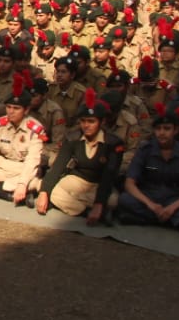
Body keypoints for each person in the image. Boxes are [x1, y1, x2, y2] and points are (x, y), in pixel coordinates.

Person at [37, 90, 123, 223]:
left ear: (102, 122)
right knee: (49, 189)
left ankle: (74, 205)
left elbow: (108, 176)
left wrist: (99, 203)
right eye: (83, 121)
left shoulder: (113, 143)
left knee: (114, 201)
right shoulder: (72, 138)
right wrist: (43, 194)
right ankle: (85, 212)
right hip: (75, 181)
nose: (86, 125)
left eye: (91, 121)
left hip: (97, 185)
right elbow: (57, 168)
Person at [116, 108, 179, 231]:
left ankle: (145, 219)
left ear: (175, 130)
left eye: (167, 129)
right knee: (124, 199)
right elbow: (129, 183)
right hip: (149, 197)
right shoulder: (145, 150)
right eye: (158, 129)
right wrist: (151, 205)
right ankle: (173, 222)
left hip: (173, 198)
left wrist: (172, 208)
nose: (162, 133)